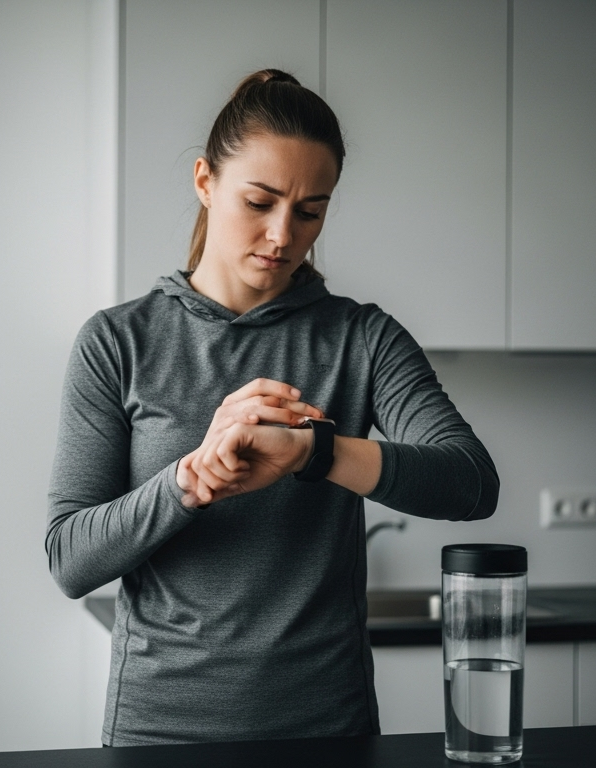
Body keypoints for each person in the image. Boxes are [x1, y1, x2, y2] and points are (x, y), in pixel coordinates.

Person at [45, 70, 500, 746]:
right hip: (160, 731)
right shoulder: (118, 342)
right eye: (259, 201)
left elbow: (471, 482)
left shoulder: (362, 338)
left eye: (310, 210)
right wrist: (187, 480)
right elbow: (71, 560)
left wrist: (315, 452)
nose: (283, 235)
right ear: (205, 181)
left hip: (328, 729)